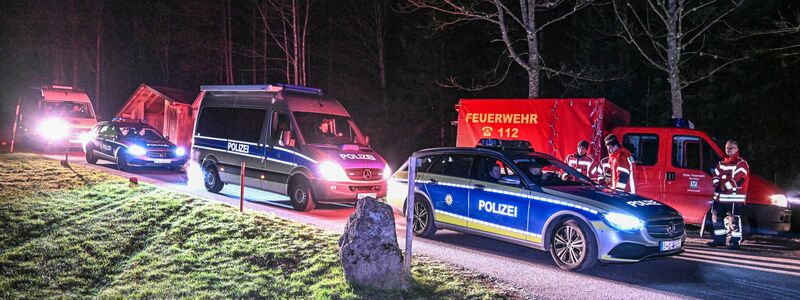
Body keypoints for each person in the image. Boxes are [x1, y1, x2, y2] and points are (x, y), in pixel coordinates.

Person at [707, 140, 750, 250]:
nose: (729, 149)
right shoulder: (722, 162)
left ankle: (735, 242)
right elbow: (716, 174)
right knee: (716, 218)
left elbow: (738, 178)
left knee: (733, 220)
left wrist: (723, 187)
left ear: (737, 149)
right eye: (727, 147)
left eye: (731, 147)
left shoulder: (741, 163)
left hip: (734, 198)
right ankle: (719, 240)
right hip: (719, 197)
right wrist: (716, 183)